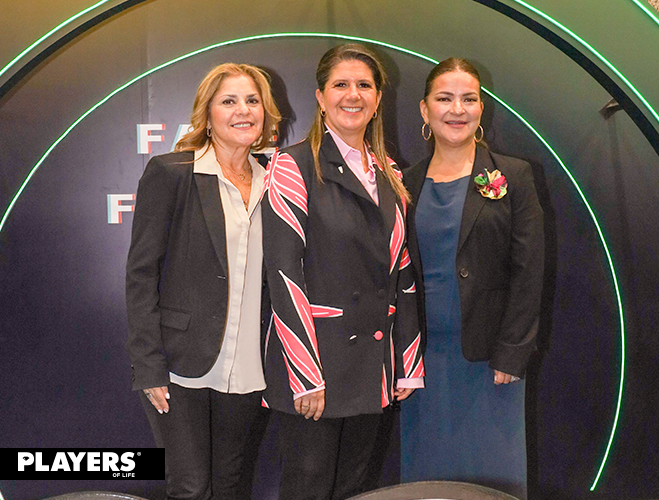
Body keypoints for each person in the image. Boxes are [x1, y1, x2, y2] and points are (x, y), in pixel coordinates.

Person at [262, 43, 425, 500]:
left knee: (356, 490)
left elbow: (403, 274)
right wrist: (304, 374)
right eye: (341, 85)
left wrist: (407, 363)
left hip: (372, 368)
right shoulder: (292, 165)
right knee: (308, 489)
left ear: (377, 99)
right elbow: (282, 273)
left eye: (364, 86)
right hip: (318, 369)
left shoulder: (390, 171)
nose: (352, 95)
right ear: (320, 96)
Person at [125, 63, 280, 500]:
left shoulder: (279, 180)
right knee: (190, 488)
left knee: (232, 487)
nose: (243, 110)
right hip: (179, 365)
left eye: (252, 100)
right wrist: (148, 364)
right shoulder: (172, 172)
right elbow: (141, 274)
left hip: (251, 366)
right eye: (229, 101)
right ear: (207, 112)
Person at [400, 58, 544, 500]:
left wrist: (512, 353)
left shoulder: (513, 176)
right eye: (444, 99)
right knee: (427, 480)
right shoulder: (405, 182)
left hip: (488, 362)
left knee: (489, 482)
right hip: (421, 365)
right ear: (425, 110)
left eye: (469, 99)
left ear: (482, 110)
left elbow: (529, 270)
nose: (457, 109)